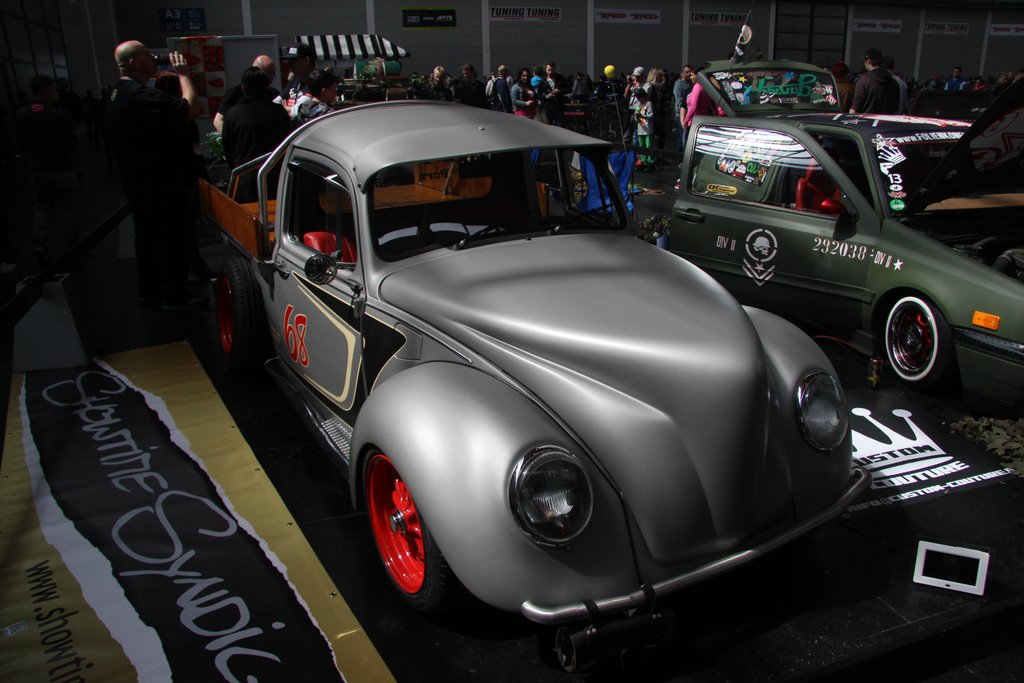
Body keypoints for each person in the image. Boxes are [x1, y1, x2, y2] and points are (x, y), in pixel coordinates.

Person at [104, 40, 204, 310]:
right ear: (134, 62)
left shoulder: (116, 94)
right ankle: (175, 296)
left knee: (147, 240)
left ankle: (150, 291)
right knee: (170, 240)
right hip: (159, 184)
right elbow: (191, 108)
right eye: (147, 54)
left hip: (137, 183)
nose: (153, 57)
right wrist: (184, 75)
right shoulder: (139, 97)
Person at [16, 74, 80, 269]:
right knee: (69, 209)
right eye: (54, 88)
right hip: (63, 168)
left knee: (42, 207)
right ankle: (72, 247)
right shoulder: (60, 114)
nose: (57, 92)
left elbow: (22, 141)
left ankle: (40, 244)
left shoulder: (22, 114)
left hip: (38, 170)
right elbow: (75, 139)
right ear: (46, 90)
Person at [222, 67, 293, 203]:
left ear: (243, 87)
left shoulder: (232, 114)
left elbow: (228, 148)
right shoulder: (278, 112)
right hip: (275, 176)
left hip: (244, 176)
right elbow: (287, 142)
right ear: (266, 87)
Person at [214, 54, 280, 133]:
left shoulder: (273, 93)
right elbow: (218, 121)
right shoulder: (235, 93)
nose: (270, 81)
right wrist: (231, 138)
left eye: (272, 77)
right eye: (268, 77)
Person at [849, 48, 899, 115]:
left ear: (868, 61)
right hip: (886, 121)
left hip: (865, 121)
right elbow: (895, 110)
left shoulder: (863, 81)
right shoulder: (894, 83)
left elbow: (854, 110)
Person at [282, 43, 316, 111]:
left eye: (293, 61)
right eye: (289, 62)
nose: (290, 65)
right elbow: (275, 104)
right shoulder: (293, 82)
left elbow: (299, 110)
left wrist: (284, 108)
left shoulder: (316, 82)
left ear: (306, 61)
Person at [538, 62, 568, 126]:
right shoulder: (542, 81)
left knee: (560, 127)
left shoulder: (560, 78)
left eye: (553, 70)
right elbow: (538, 95)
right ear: (546, 70)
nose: (551, 72)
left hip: (559, 107)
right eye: (549, 70)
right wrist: (546, 96)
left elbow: (569, 89)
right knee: (548, 127)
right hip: (548, 107)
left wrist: (559, 91)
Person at [673, 65, 693, 152]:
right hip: (680, 113)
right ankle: (680, 154)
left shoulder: (691, 83)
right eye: (687, 72)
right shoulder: (678, 84)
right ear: (683, 73)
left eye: (690, 72)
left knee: (687, 136)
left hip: (689, 113)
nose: (689, 74)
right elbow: (679, 100)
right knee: (682, 137)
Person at [633, 88, 654, 169]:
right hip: (640, 129)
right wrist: (637, 117)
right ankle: (643, 160)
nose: (639, 99)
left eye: (640, 97)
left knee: (648, 145)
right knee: (642, 146)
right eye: (637, 97)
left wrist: (642, 116)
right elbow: (636, 117)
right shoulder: (638, 106)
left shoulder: (648, 104)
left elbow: (651, 115)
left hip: (647, 129)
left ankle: (650, 161)